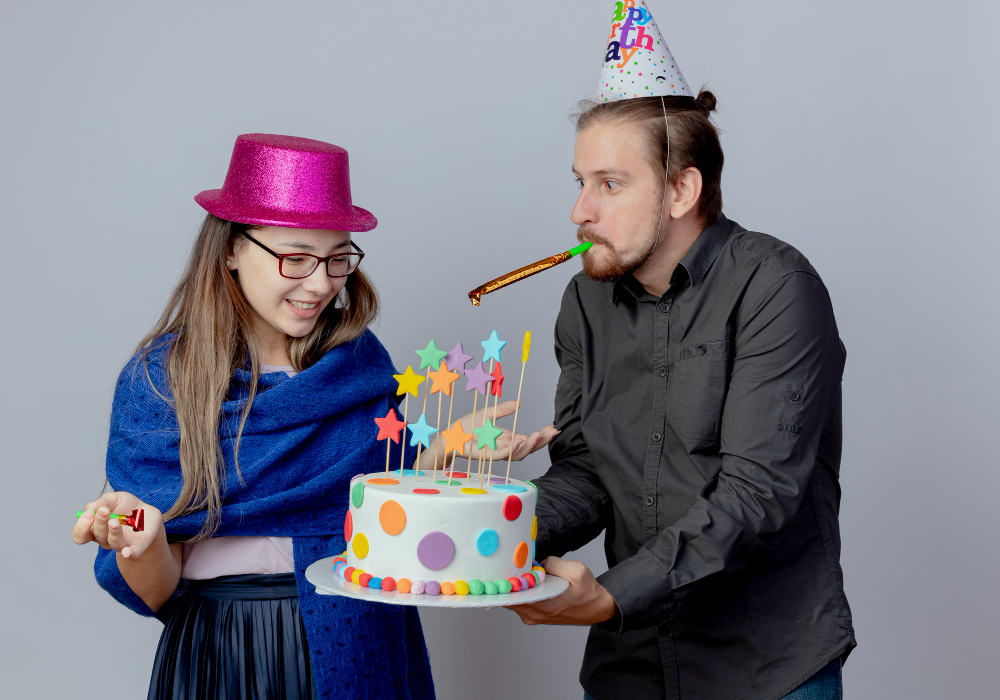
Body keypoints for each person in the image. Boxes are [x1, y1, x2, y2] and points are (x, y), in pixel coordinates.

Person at [71, 133, 554, 700]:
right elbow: (155, 591)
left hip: (358, 632)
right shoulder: (160, 382)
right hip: (223, 650)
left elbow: (374, 515)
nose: (322, 283)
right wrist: (142, 538)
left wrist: (442, 449)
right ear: (230, 247)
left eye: (337, 258)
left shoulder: (359, 364)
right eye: (295, 258)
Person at [505, 7, 855, 700]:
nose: (580, 210)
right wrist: (487, 531)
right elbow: (587, 473)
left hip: (766, 670)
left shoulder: (778, 286)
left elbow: (758, 496)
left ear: (680, 190)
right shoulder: (585, 301)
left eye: (609, 183)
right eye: (579, 181)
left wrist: (608, 597)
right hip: (629, 672)